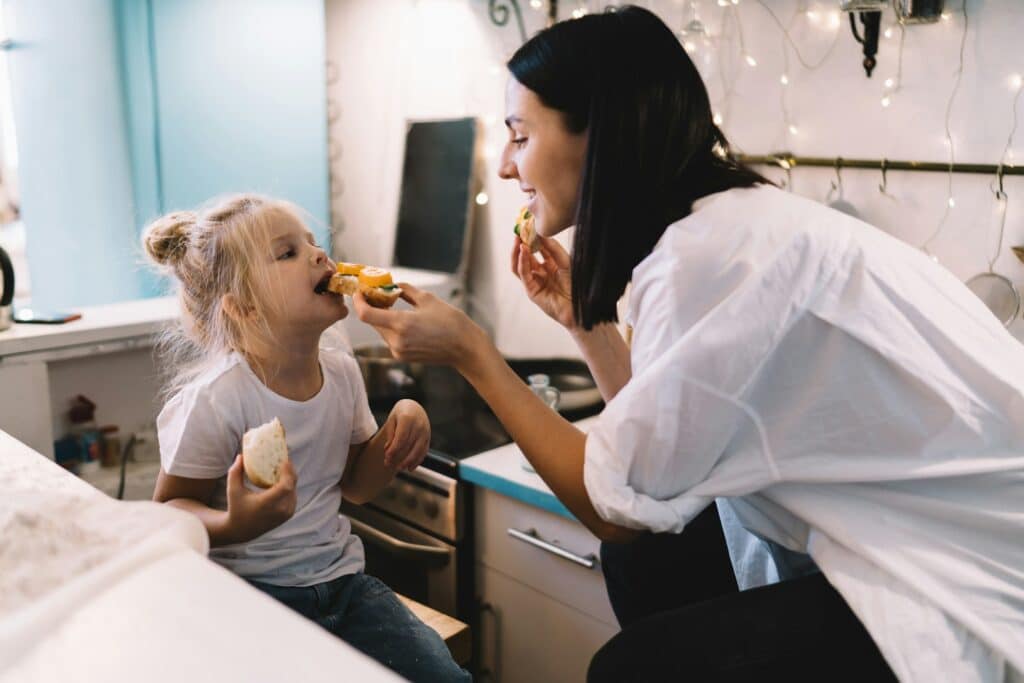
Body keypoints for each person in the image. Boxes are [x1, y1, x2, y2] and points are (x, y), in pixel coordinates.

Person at [353, 6, 1024, 682]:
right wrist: (585, 325)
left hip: (962, 569)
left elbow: (608, 503)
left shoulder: (710, 259)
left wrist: (472, 351)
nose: (503, 166)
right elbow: (657, 453)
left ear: (600, 134)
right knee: (643, 556)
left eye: (520, 136)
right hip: (900, 535)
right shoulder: (718, 232)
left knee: (626, 667)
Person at [144, 194, 470, 683]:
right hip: (249, 597)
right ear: (246, 308)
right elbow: (168, 511)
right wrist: (236, 523)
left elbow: (357, 485)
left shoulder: (340, 372)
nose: (320, 255)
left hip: (343, 587)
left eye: (314, 244)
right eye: (288, 252)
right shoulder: (219, 399)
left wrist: (404, 418)